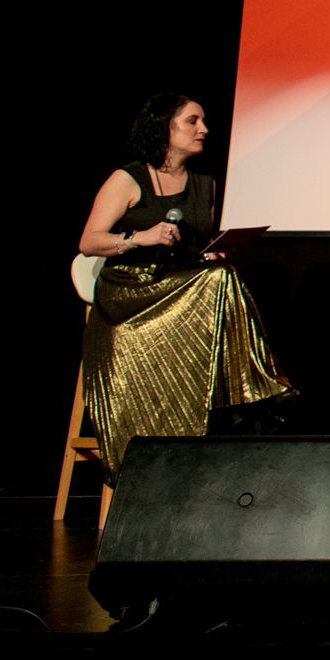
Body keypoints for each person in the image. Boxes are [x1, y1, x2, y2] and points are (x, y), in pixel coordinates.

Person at [75, 92, 292, 482]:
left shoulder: (204, 185)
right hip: (129, 292)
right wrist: (137, 238)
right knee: (220, 282)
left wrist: (209, 255)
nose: (204, 129)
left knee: (220, 275)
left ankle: (233, 402)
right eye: (193, 121)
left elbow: (191, 250)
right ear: (165, 127)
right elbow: (90, 242)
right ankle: (251, 390)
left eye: (203, 121)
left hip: (177, 291)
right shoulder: (128, 178)